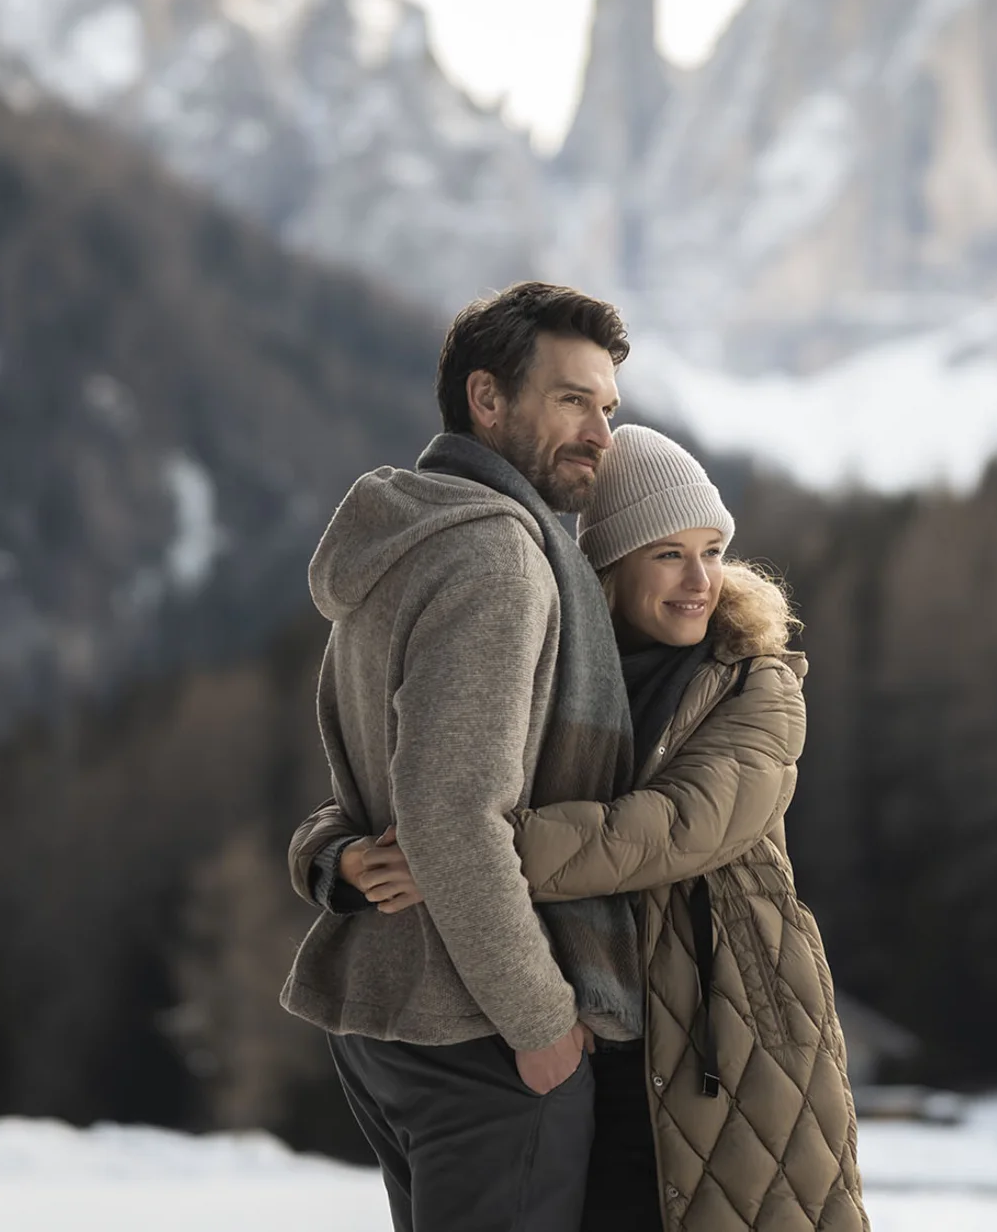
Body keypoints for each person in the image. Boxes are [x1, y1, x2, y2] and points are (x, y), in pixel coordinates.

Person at [296, 426, 869, 1232]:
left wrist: (469, 851)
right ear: (611, 566)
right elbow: (422, 787)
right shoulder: (558, 671)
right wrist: (339, 855)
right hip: (595, 1033)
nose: (700, 580)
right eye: (669, 554)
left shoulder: (756, 683)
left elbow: (670, 828)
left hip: (726, 1037)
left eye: (712, 550)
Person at [280, 281, 645, 1232]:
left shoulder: (403, 542)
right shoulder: (496, 558)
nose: (601, 436)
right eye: (572, 400)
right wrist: (541, 1022)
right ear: (488, 400)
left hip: (392, 1020)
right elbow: (449, 813)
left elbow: (369, 788)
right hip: (480, 1023)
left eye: (607, 409)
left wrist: (336, 861)